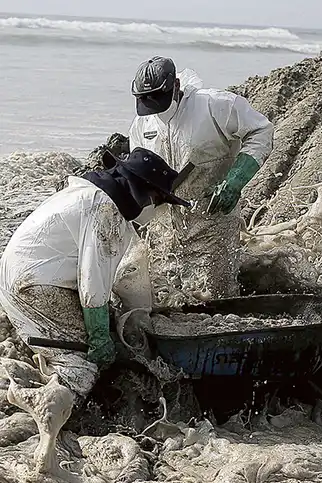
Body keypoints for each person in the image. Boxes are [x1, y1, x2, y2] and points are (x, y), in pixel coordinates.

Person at [0, 147, 190, 398]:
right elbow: (93, 284)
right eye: (157, 200)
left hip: (19, 277)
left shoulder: (88, 194)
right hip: (36, 287)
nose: (155, 208)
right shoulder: (105, 210)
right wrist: (99, 337)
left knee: (67, 345)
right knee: (82, 367)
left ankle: (40, 376)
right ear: (139, 190)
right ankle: (47, 409)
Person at [128, 56, 274, 301]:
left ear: (175, 86)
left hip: (214, 217)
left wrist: (235, 181)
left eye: (158, 98)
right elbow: (138, 172)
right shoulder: (141, 125)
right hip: (167, 227)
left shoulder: (214, 105)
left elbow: (262, 130)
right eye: (146, 100)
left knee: (216, 294)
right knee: (173, 295)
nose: (153, 106)